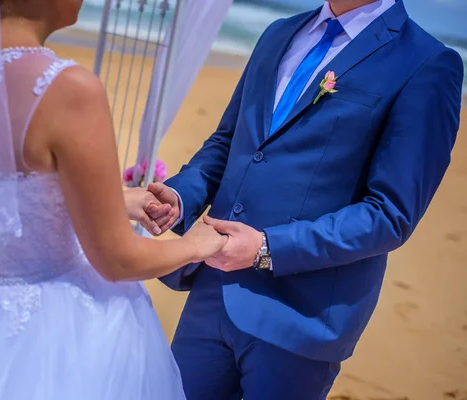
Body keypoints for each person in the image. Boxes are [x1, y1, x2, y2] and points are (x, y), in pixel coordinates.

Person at [0, 0, 226, 398]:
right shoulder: (68, 89)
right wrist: (195, 245)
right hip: (55, 333)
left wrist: (109, 200)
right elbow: (117, 260)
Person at [135, 0, 464, 398]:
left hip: (300, 319)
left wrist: (266, 248)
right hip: (213, 288)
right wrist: (179, 197)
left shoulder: (427, 62)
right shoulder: (279, 32)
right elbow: (229, 144)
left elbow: (389, 215)